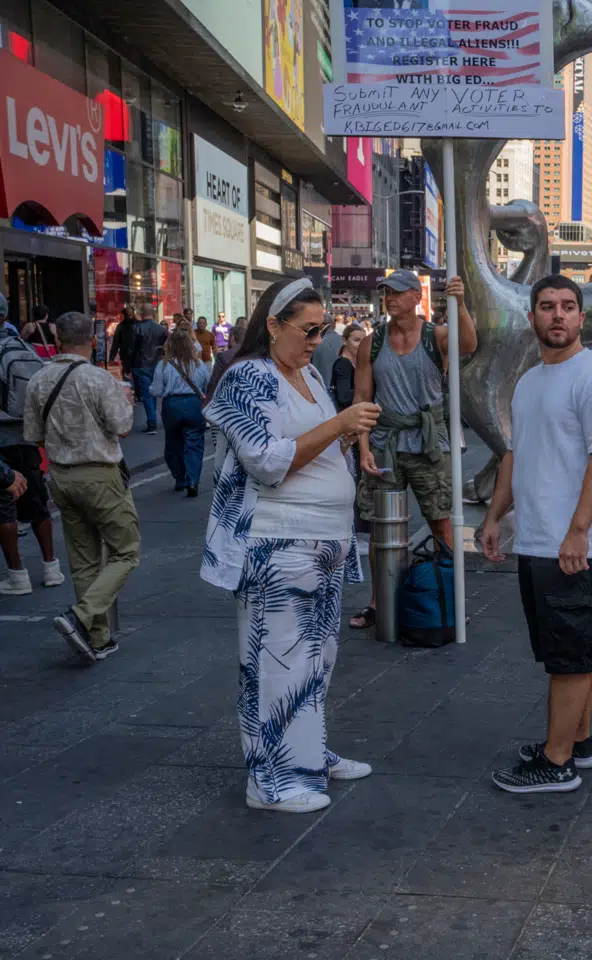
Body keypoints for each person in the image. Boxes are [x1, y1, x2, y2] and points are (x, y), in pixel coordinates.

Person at [202, 278, 382, 813]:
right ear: (273, 324)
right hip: (277, 540)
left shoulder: (304, 373)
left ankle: (306, 755)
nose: (315, 341)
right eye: (308, 330)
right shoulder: (245, 379)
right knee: (278, 659)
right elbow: (268, 459)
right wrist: (340, 425)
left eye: (322, 331)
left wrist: (345, 436)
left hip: (322, 540)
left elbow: (309, 442)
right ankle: (272, 780)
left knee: (316, 657)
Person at [480, 275, 592, 793]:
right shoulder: (530, 380)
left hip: (572, 543)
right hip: (539, 537)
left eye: (568, 306)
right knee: (572, 647)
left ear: (582, 317)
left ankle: (556, 760)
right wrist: (496, 516)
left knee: (569, 654)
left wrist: (579, 531)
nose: (558, 315)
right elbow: (516, 456)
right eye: (547, 307)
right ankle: (579, 741)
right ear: (533, 319)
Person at [349, 269, 476, 630]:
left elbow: (468, 344)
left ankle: (451, 598)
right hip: (385, 443)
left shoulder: (435, 336)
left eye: (397, 292)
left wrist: (461, 303)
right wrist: (362, 448)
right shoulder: (371, 343)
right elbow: (362, 398)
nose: (390, 298)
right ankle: (379, 602)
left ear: (414, 297)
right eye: (386, 292)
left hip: (428, 444)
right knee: (380, 528)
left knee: (442, 524)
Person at [23, 311, 140, 663]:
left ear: (57, 340)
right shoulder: (98, 379)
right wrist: (128, 404)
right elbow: (121, 426)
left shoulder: (39, 380)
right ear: (92, 340)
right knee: (126, 550)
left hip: (61, 475)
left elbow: (32, 435)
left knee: (84, 559)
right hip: (99, 473)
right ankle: (83, 615)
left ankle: (98, 638)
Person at [0, 325, 63, 595]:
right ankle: (52, 568)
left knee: (4, 506)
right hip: (25, 434)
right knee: (37, 500)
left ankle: (18, 575)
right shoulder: (23, 347)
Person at [152, 325, 210, 496]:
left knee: (173, 444)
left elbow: (156, 391)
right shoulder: (199, 365)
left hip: (172, 405)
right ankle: (193, 480)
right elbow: (206, 387)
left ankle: (180, 478)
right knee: (194, 444)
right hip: (193, 404)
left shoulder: (163, 365)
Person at [128, 305, 167, 435]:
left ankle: (152, 422)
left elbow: (132, 349)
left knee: (147, 394)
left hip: (142, 364)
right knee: (158, 392)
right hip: (157, 364)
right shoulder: (162, 329)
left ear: (142, 313)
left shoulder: (137, 328)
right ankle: (157, 419)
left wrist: (128, 366)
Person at [330, 323, 365, 410]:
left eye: (364, 341)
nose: (361, 345)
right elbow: (344, 397)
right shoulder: (343, 364)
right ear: (344, 341)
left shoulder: (351, 362)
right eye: (356, 340)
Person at [109, 307, 137, 375]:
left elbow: (115, 343)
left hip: (128, 356)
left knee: (128, 376)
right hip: (134, 356)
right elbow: (116, 343)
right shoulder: (138, 324)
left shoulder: (121, 326)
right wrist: (112, 357)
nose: (130, 317)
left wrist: (111, 358)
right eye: (129, 315)